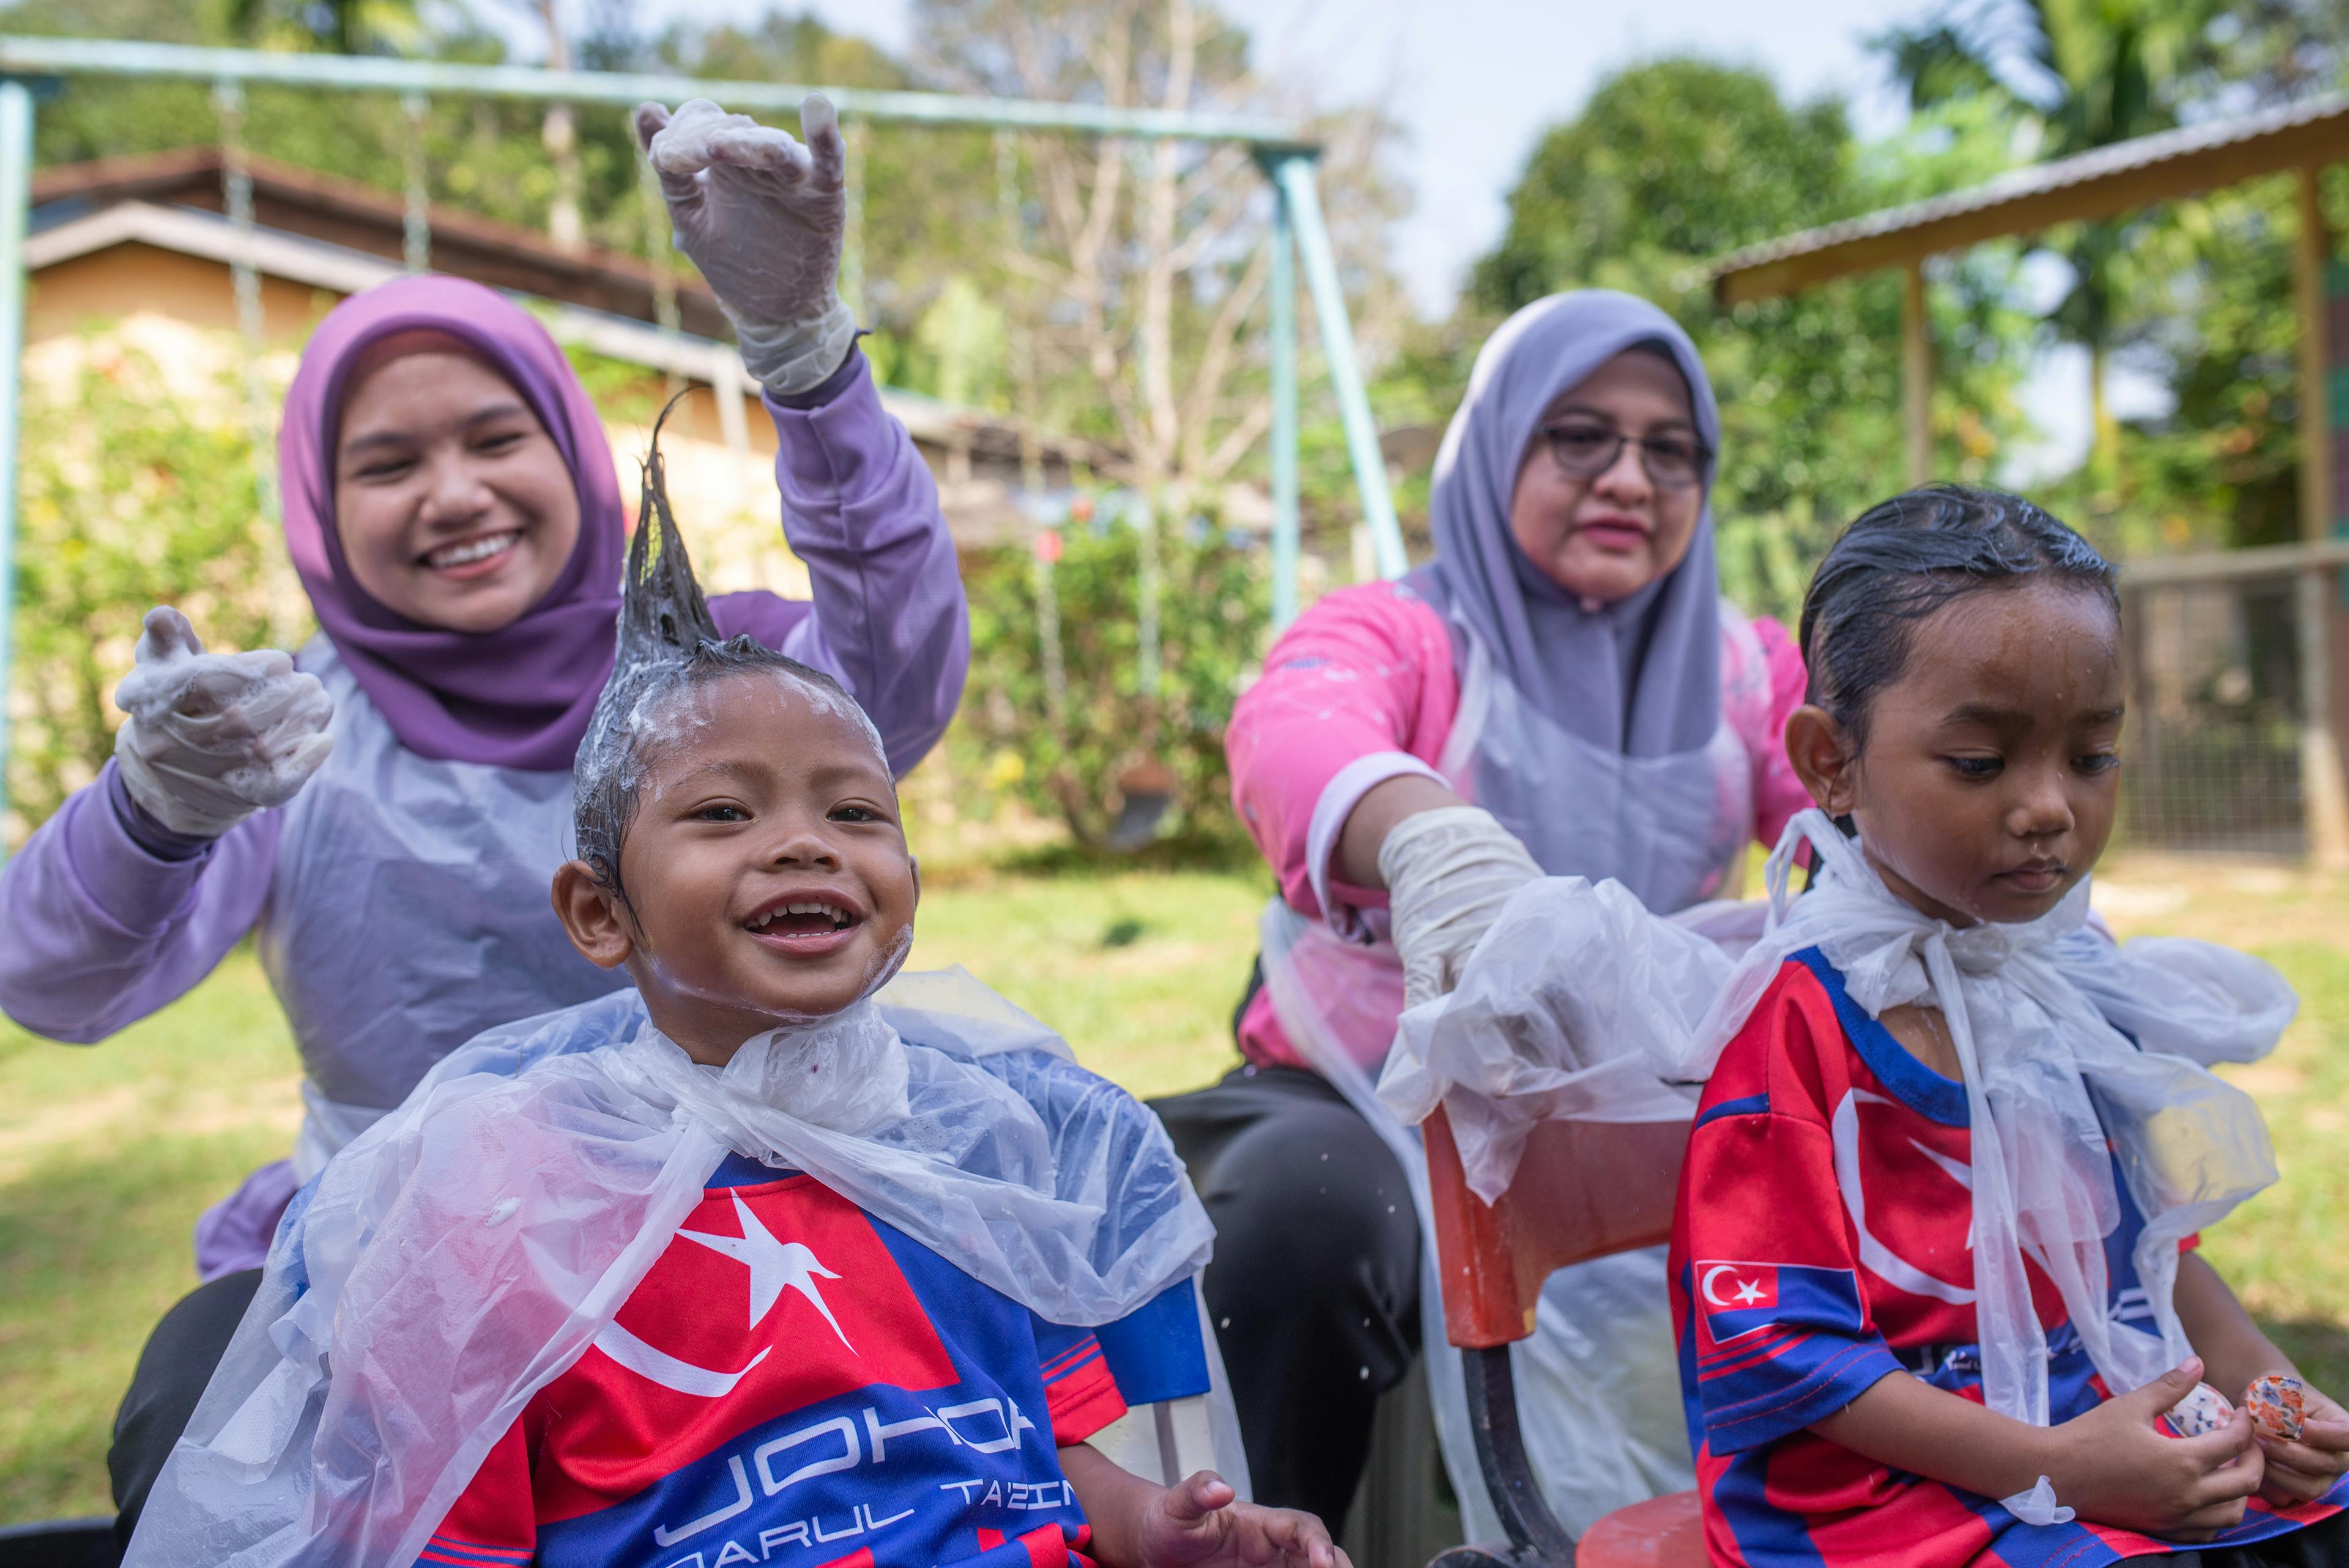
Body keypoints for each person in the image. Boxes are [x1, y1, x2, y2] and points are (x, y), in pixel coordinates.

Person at [0, 96, 967, 1540]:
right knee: (193, 1394)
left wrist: (808, 359)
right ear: (322, 508)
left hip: (761, 1216)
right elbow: (53, 981)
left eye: (494, 438)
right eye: (387, 464)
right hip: (399, 1266)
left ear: (567, 445)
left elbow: (896, 683)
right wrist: (153, 809)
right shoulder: (286, 737)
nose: (454, 494)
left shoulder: (727, 675)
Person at [126, 453, 1324, 1568]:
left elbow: (1055, 1462)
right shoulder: (504, 1226)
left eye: (858, 814)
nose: (805, 841)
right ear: (599, 912)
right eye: (723, 814)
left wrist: (1159, 1529)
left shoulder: (972, 1159)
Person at [1150, 289, 1811, 1531]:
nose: (1629, 476)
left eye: (1671, 449)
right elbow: (1291, 726)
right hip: (1370, 1077)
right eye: (1580, 435)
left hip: (1650, 1100)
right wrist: (1427, 836)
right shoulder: (1405, 627)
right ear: (1497, 444)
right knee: (1305, 1216)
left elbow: (1854, 797)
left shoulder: (1745, 666)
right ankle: (1253, 1541)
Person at [1672, 486, 2349, 1566]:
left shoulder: (2074, 984)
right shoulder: (1797, 1025)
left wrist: (2273, 1389)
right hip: (1879, 1498)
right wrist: (2060, 1468)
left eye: (2092, 757)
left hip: (2094, 1430)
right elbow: (1782, 1350)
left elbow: (2154, 1249)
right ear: (1830, 762)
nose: (2051, 808)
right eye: (1982, 764)